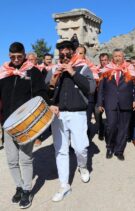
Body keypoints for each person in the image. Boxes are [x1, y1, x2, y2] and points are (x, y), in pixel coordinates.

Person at [0, 42, 52, 208]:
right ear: (9, 55)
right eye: (13, 56)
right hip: (7, 124)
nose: (16, 59)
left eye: (19, 56)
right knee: (11, 160)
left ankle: (27, 191)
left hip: (26, 124)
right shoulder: (4, 73)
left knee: (25, 159)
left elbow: (42, 94)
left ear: (23, 55)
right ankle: (19, 186)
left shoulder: (33, 72)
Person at [49, 40, 96, 202]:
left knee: (81, 147)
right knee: (61, 150)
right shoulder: (54, 68)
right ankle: (64, 185)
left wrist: (73, 72)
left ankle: (82, 166)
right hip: (58, 114)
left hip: (78, 114)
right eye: (61, 52)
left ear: (73, 52)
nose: (64, 54)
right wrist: (53, 81)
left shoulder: (83, 67)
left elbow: (90, 89)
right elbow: (46, 90)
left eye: (67, 51)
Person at [97, 49, 135, 160]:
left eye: (120, 56)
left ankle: (119, 150)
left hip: (126, 103)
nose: (117, 58)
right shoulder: (106, 70)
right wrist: (100, 103)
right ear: (113, 57)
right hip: (110, 103)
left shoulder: (130, 70)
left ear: (123, 57)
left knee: (123, 128)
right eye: (115, 56)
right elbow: (100, 88)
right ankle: (110, 147)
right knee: (111, 126)